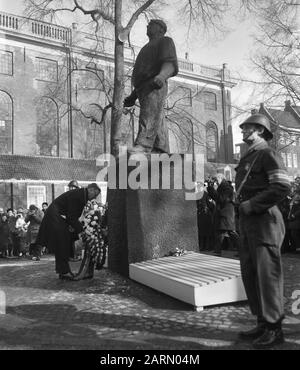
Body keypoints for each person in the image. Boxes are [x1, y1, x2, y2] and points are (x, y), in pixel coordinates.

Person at [235, 113, 290, 349]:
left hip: (265, 221)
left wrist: (253, 204)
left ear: (260, 131)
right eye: (245, 127)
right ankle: (262, 322)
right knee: (251, 274)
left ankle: (274, 328)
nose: (244, 131)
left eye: (248, 128)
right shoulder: (251, 155)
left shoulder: (268, 154)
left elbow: (282, 186)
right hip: (249, 222)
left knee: (267, 277)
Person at [124, 19, 178, 154]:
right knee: (156, 115)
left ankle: (144, 145)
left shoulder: (165, 41)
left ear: (160, 29)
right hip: (142, 87)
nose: (147, 26)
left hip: (155, 83)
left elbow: (170, 62)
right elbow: (141, 76)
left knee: (148, 114)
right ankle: (161, 146)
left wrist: (162, 76)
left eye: (151, 25)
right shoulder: (145, 48)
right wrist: (133, 96)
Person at [36, 183, 101, 280]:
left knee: (64, 241)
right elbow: (72, 217)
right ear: (91, 190)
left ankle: (63, 271)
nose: (94, 198)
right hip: (55, 217)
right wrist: (82, 230)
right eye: (95, 195)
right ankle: (64, 272)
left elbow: (72, 216)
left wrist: (76, 227)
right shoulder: (79, 196)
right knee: (62, 242)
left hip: (57, 216)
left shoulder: (81, 195)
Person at [207, 174, 239, 256]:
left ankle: (243, 250)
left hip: (226, 213)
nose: (216, 182)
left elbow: (221, 199)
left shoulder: (227, 187)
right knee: (221, 231)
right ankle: (217, 250)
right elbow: (218, 198)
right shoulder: (223, 187)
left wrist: (211, 189)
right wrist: (210, 188)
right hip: (224, 213)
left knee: (230, 232)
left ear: (221, 178)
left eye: (216, 180)